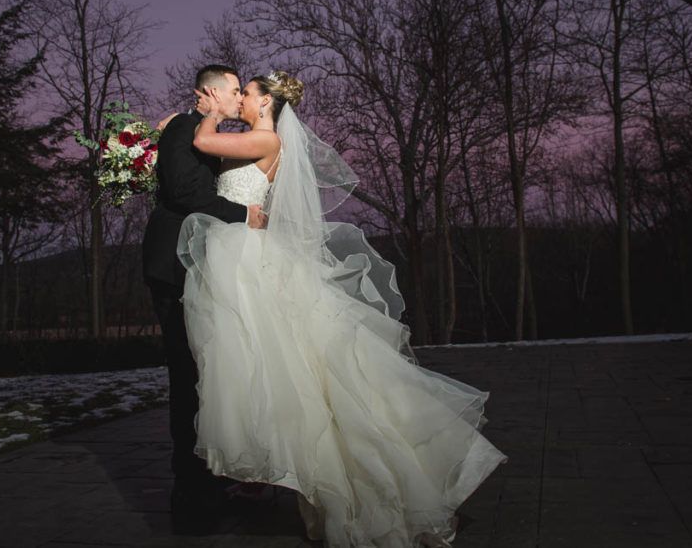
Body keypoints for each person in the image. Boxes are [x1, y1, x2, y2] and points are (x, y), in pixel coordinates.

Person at [178, 70, 506, 546]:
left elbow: (206, 144)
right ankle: (298, 477)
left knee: (290, 368)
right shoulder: (255, 136)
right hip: (240, 255)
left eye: (247, 94)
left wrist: (205, 113)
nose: (242, 100)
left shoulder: (264, 139)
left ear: (267, 103)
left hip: (246, 259)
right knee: (276, 369)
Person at [141, 64, 267, 524]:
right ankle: (192, 502)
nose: (238, 99)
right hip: (174, 269)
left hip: (193, 267)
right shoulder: (183, 126)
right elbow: (185, 191)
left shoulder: (202, 131)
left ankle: (210, 484)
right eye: (234, 91)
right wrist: (244, 216)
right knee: (189, 381)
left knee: (204, 379)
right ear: (208, 93)